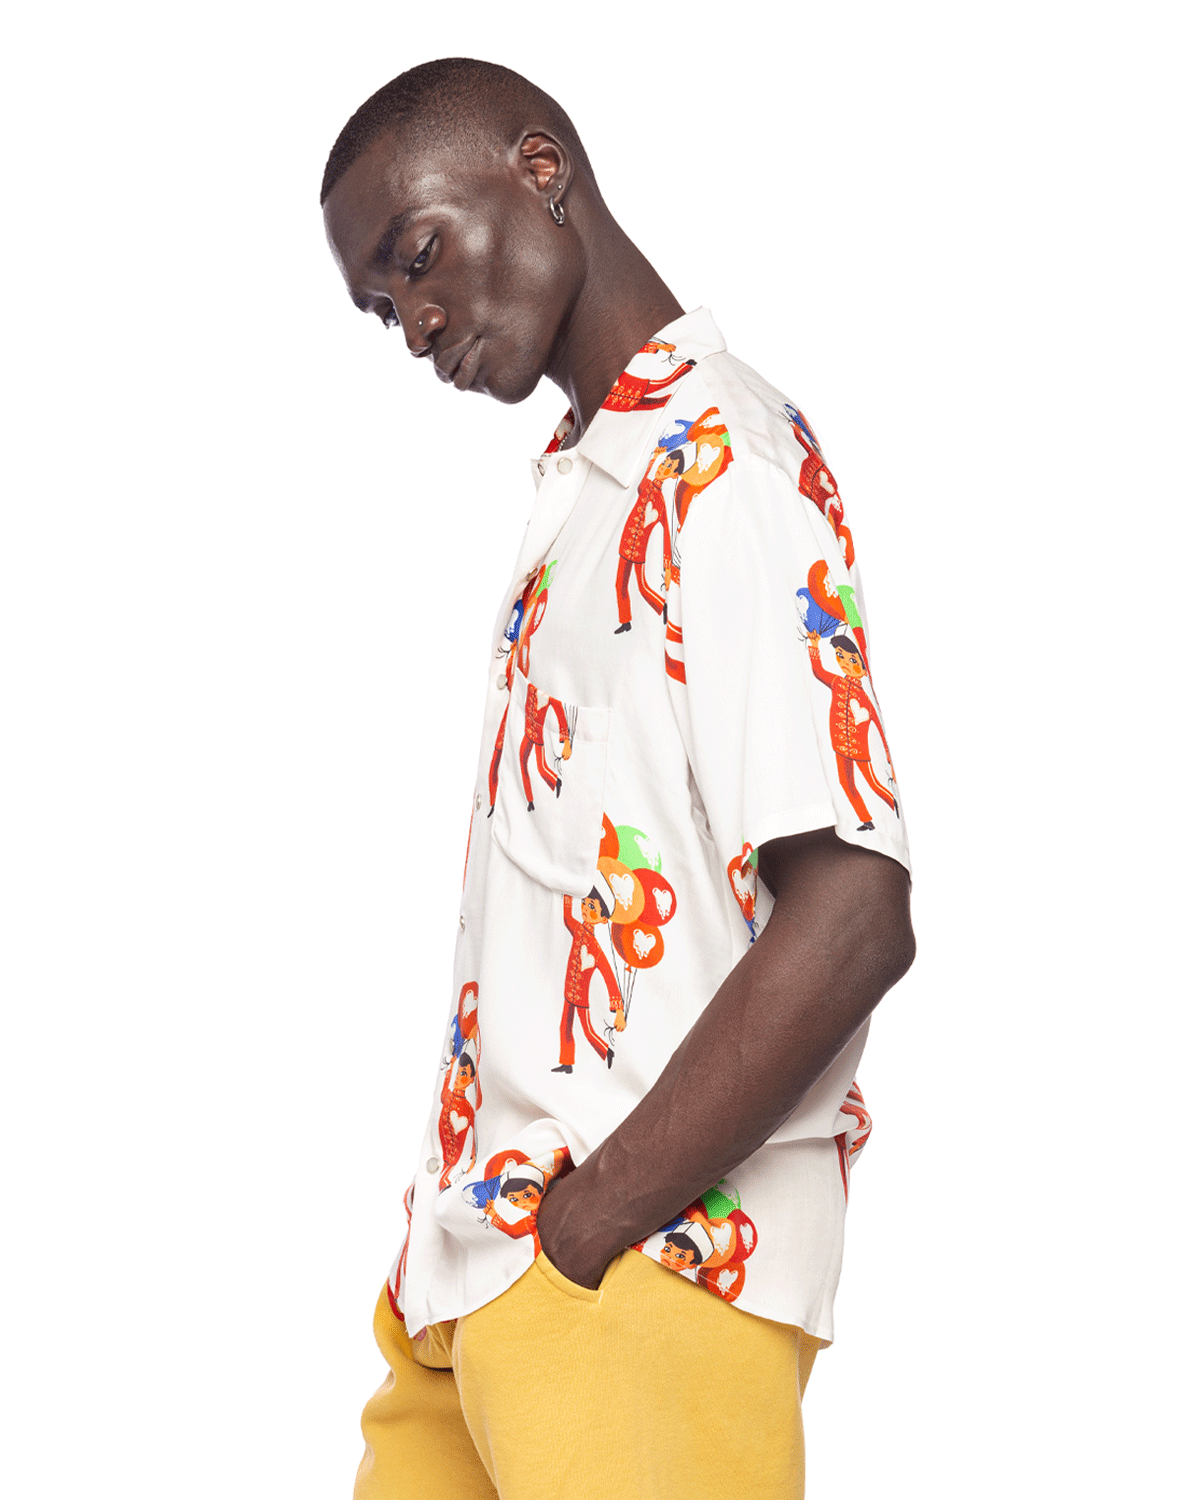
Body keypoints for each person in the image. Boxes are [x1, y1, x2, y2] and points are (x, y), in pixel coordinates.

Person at [321, 56, 915, 1500]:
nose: (416, 325)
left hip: (637, 1282)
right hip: (470, 1284)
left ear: (541, 171)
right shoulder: (595, 485)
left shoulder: (725, 466)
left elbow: (853, 912)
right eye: (384, 308)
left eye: (418, 256)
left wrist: (594, 1228)